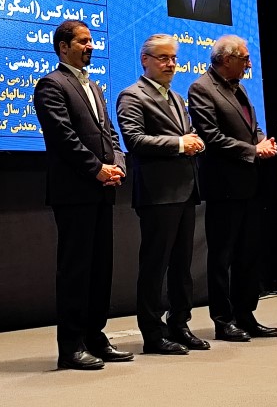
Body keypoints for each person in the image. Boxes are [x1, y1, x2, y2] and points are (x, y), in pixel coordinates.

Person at [33, 19, 132, 370]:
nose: (91, 46)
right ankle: (71, 346)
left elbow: (109, 133)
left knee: (101, 269)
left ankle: (95, 337)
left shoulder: (96, 87)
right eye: (83, 41)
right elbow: (63, 138)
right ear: (63, 47)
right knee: (76, 270)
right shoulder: (51, 85)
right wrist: (96, 169)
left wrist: (117, 163)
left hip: (102, 190)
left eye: (91, 40)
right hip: (75, 192)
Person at [116, 34, 209, 356]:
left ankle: (180, 324)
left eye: (173, 58)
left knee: (182, 266)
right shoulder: (132, 96)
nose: (171, 64)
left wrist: (193, 139)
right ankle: (153, 334)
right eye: (163, 58)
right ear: (145, 60)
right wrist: (181, 143)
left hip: (185, 190)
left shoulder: (177, 98)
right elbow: (134, 140)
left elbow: (184, 134)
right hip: (158, 194)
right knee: (155, 267)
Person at [188, 34, 277, 341]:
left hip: (250, 185)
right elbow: (211, 137)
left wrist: (263, 142)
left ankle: (246, 314)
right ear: (227, 59)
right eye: (245, 59)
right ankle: (223, 319)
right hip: (223, 187)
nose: (249, 64)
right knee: (222, 257)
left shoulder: (239, 87)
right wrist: (253, 150)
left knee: (248, 255)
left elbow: (253, 127)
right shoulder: (201, 88)